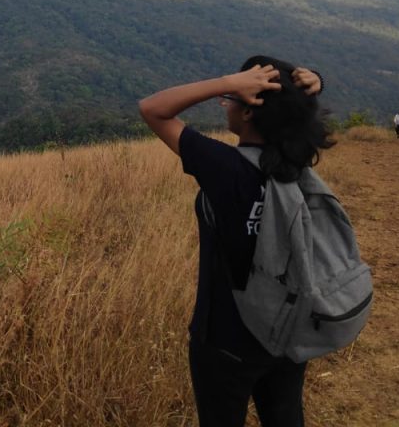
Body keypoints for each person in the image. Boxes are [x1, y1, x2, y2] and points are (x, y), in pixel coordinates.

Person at [138, 56, 333, 427]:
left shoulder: (225, 167)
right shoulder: (295, 161)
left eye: (230, 99)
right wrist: (314, 81)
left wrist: (226, 79)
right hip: (287, 328)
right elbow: (296, 115)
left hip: (226, 340)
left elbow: (153, 108)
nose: (224, 103)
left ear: (248, 114)